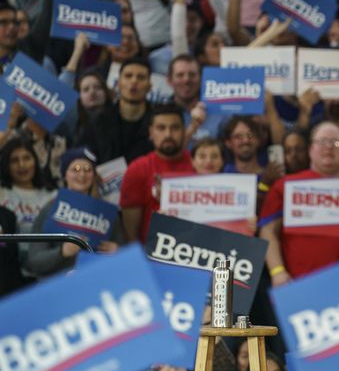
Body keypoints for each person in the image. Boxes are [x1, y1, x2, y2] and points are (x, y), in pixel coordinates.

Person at [261, 121, 339, 286]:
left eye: (336, 142)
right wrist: (277, 272)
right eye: (322, 142)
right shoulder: (285, 185)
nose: (329, 147)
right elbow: (268, 230)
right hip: (297, 284)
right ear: (310, 148)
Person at [24, 148, 122, 278]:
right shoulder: (49, 210)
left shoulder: (107, 213)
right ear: (64, 175)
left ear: (93, 175)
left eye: (87, 169)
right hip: (58, 284)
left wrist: (118, 251)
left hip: (97, 281)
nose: (82, 175)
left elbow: (126, 254)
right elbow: (35, 261)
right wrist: (62, 252)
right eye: (75, 169)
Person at [119, 103, 194, 243]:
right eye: (161, 128)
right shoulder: (137, 169)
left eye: (175, 128)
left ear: (184, 131)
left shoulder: (199, 166)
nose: (168, 134)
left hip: (197, 248)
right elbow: (131, 236)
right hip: (150, 251)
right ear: (151, 132)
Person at [79, 57, 154, 164]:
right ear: (118, 83)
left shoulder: (158, 123)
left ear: (149, 86)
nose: (134, 81)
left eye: (141, 77)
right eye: (128, 76)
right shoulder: (97, 122)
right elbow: (80, 159)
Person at [0, 138, 56, 234]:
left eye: (27, 158)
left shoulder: (53, 196)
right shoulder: (1, 194)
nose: (21, 165)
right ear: (6, 165)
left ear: (35, 161)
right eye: (14, 160)